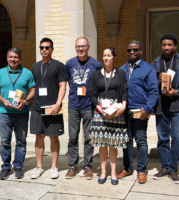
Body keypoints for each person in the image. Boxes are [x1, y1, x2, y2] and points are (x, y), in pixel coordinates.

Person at [151, 33, 179, 183]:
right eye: (164, 45)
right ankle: (165, 167)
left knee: (177, 138)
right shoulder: (155, 63)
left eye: (170, 45)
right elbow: (151, 85)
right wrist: (158, 81)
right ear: (161, 46)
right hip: (161, 106)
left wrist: (177, 91)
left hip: (177, 106)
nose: (167, 47)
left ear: (175, 46)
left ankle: (173, 169)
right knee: (163, 138)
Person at [117, 40, 159, 184]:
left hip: (140, 111)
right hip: (124, 111)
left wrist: (147, 108)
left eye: (135, 50)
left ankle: (142, 170)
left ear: (140, 51)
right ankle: (127, 168)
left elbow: (154, 91)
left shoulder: (148, 68)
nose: (132, 53)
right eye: (129, 50)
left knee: (141, 141)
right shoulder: (122, 69)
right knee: (126, 141)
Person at [0, 48, 35, 180]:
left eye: (15, 57)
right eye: (10, 57)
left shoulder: (27, 73)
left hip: (22, 113)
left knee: (21, 141)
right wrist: (3, 100)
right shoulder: (0, 73)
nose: (13, 59)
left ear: (20, 59)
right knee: (5, 141)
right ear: (7, 58)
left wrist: (26, 100)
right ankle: (5, 167)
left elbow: (33, 90)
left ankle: (18, 166)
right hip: (4, 113)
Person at [89, 47, 128, 185]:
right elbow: (92, 94)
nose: (106, 58)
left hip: (116, 112)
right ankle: (103, 171)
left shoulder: (121, 74)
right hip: (100, 112)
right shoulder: (96, 75)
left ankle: (113, 172)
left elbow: (124, 91)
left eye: (109, 55)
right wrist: (99, 108)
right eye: (104, 55)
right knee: (102, 143)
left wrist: (123, 106)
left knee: (113, 144)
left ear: (114, 58)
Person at [65, 37, 102, 179]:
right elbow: (69, 81)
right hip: (74, 105)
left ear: (88, 47)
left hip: (89, 106)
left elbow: (99, 83)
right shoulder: (69, 64)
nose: (80, 49)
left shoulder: (96, 64)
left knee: (88, 137)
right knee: (73, 137)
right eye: (78, 46)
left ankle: (87, 165)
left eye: (83, 46)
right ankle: (72, 166)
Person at [29, 38, 67, 179]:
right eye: (42, 47)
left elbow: (63, 85)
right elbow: (32, 87)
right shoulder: (34, 67)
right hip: (37, 107)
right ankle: (39, 167)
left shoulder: (59, 66)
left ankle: (54, 167)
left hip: (53, 108)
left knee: (53, 138)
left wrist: (58, 104)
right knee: (39, 137)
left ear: (52, 49)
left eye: (47, 47)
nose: (44, 50)